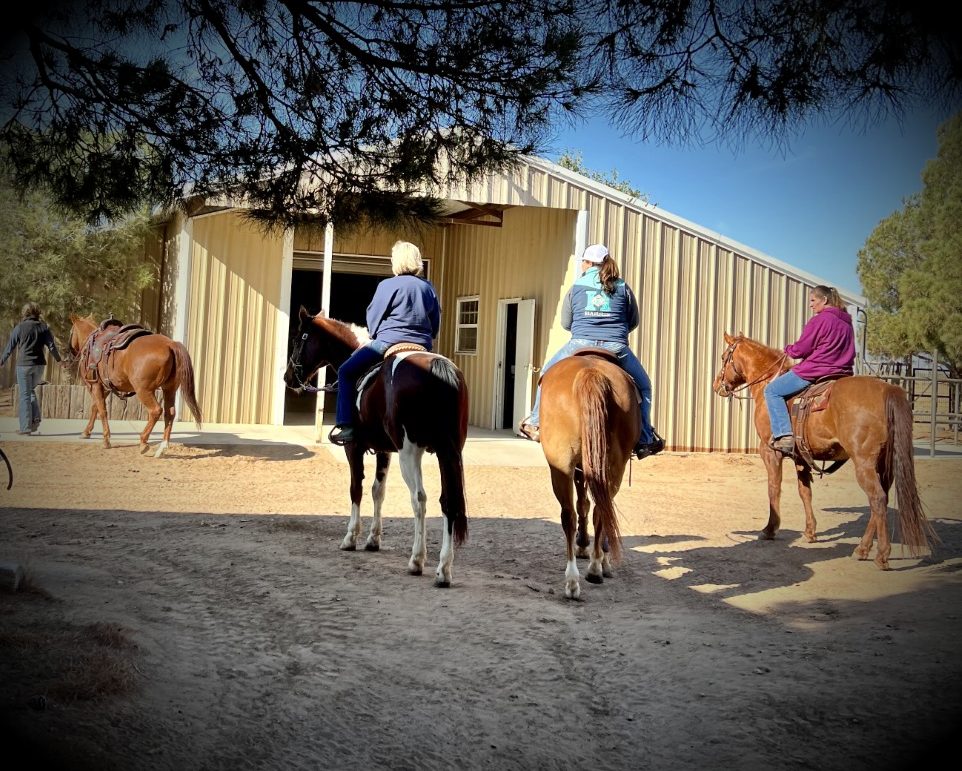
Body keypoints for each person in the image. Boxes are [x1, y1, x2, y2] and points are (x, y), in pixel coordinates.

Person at [519, 244, 664, 459]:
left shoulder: (576, 286)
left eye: (583, 262)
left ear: (588, 263)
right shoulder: (623, 287)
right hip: (616, 346)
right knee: (644, 387)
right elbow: (633, 321)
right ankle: (644, 438)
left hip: (580, 343)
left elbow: (566, 323)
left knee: (545, 375)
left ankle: (535, 423)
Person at [328, 241, 441, 445]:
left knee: (345, 371)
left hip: (388, 343)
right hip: (421, 345)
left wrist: (375, 333)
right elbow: (436, 321)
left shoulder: (387, 285)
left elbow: (373, 317)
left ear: (397, 262)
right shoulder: (428, 287)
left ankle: (346, 425)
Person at [765, 285, 855, 455]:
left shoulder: (820, 320)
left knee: (772, 390)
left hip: (816, 371)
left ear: (825, 300)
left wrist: (789, 349)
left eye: (813, 300)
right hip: (842, 373)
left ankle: (784, 436)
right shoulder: (847, 323)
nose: (811, 305)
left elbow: (802, 350)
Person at [0, 302, 63, 435]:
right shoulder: (44, 327)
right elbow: (51, 346)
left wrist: (1, 362)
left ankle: (25, 428)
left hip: (24, 365)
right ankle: (35, 419)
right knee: (30, 390)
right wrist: (59, 360)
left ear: (25, 312)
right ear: (37, 312)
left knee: (24, 396)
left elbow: (9, 347)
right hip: (39, 366)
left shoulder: (19, 327)